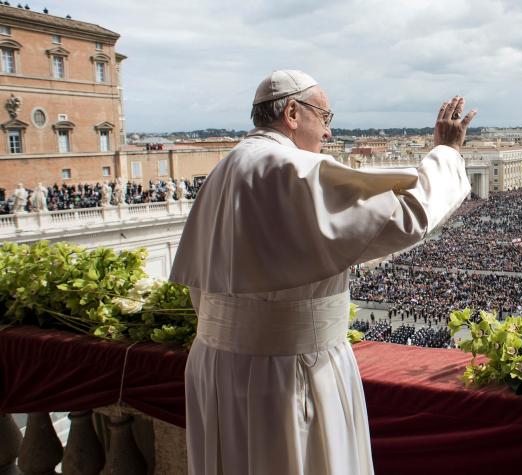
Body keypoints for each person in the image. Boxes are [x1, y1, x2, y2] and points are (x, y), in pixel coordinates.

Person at [169, 69, 476, 475]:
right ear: (293, 112)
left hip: (215, 365)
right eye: (325, 118)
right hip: (288, 371)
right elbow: (407, 216)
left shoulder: (226, 169)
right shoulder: (290, 169)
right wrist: (447, 153)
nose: (329, 135)